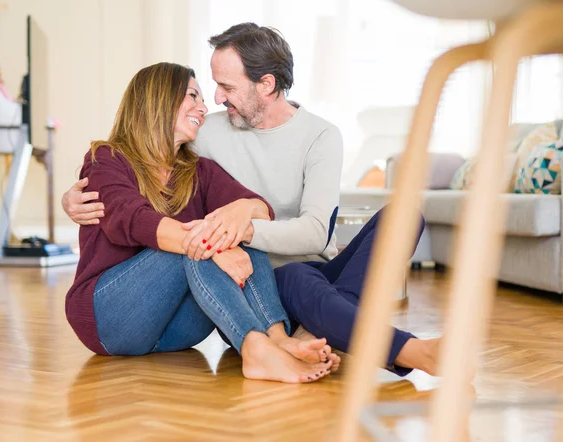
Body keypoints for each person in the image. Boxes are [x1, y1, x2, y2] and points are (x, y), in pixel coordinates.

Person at [62, 23, 440, 377]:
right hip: (247, 284)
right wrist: (73, 197)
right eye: (199, 91)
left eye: (224, 86)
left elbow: (297, 226)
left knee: (400, 216)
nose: (211, 100)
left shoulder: (318, 136)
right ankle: (375, 345)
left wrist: (242, 216)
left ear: (266, 84)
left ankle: (309, 333)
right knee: (225, 240)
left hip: (276, 278)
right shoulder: (196, 132)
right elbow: (128, 205)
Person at [65, 61, 340, 384]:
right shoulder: (107, 158)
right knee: (201, 242)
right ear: (159, 98)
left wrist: (240, 210)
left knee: (238, 233)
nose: (205, 106)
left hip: (176, 332)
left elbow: (262, 212)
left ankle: (277, 340)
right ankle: (255, 349)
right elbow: (132, 219)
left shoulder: (198, 170)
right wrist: (213, 247)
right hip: (110, 317)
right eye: (192, 96)